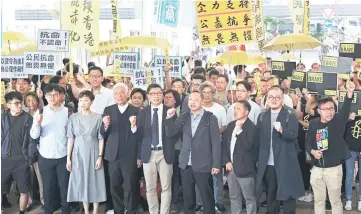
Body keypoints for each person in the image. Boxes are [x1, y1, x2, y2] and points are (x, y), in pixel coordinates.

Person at [165, 91, 222, 214]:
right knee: (188, 197)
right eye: (190, 100)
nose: (192, 102)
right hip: (185, 163)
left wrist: (216, 164)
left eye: (196, 100)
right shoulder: (184, 116)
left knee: (206, 197)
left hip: (204, 163)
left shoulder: (210, 118)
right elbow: (170, 133)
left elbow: (216, 143)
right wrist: (169, 117)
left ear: (202, 101)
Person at [306, 81, 355, 213]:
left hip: (334, 170)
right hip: (317, 169)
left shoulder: (338, 121)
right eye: (326, 109)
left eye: (332, 108)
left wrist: (349, 93)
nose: (329, 112)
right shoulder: (313, 123)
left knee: (335, 201)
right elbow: (308, 142)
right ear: (319, 110)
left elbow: (345, 109)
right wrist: (312, 152)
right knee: (319, 201)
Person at [255, 85, 305, 214]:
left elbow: (293, 135)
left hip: (285, 162)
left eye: (277, 97)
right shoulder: (262, 116)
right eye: (271, 97)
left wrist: (282, 130)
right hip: (268, 164)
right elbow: (258, 140)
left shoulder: (290, 115)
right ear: (267, 99)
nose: (274, 100)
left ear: (282, 99)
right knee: (271, 196)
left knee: (288, 196)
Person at [30, 83, 72, 214]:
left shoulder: (68, 112)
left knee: (64, 186)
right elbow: (34, 135)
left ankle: (66, 210)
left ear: (61, 96)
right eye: (49, 95)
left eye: (55, 94)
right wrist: (37, 123)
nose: (52, 97)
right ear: (45, 96)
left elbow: (71, 135)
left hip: (63, 155)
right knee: (47, 187)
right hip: (45, 156)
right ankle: (48, 210)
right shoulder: (40, 112)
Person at [135, 83, 175, 214]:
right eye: (153, 94)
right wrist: (133, 126)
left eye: (159, 93)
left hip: (165, 152)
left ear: (163, 95)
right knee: (150, 188)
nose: (156, 96)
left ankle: (164, 212)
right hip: (148, 153)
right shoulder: (143, 112)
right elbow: (139, 136)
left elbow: (174, 133)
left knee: (166, 187)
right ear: (148, 96)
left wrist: (170, 118)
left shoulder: (170, 111)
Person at [100, 83, 140, 214]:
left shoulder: (136, 110)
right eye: (116, 93)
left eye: (122, 92)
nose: (119, 96)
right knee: (114, 185)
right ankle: (118, 209)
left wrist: (134, 126)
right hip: (112, 154)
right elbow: (102, 133)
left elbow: (141, 135)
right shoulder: (108, 110)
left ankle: (131, 209)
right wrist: (105, 125)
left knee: (130, 184)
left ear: (127, 93)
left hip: (129, 154)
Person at [66, 90, 106, 214]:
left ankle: (95, 211)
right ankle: (86, 210)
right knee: (81, 179)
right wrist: (68, 158)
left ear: (92, 101)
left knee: (95, 180)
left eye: (86, 100)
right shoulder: (73, 117)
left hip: (93, 151)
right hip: (78, 153)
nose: (83, 103)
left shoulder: (99, 117)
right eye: (81, 100)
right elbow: (70, 138)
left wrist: (100, 156)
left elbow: (101, 138)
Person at [223, 100, 257, 214]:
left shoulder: (251, 127)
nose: (235, 111)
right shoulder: (231, 125)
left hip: (245, 169)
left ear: (246, 112)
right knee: (234, 197)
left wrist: (239, 131)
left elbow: (248, 146)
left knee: (249, 199)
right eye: (234, 109)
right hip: (231, 168)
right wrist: (226, 161)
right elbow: (224, 145)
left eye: (238, 109)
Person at [1, 91, 33, 214]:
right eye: (16, 103)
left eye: (20, 103)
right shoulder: (3, 118)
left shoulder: (28, 119)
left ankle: (21, 212)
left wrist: (29, 158)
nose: (20, 106)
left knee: (24, 191)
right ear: (8, 105)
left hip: (22, 160)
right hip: (5, 158)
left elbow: (32, 140)